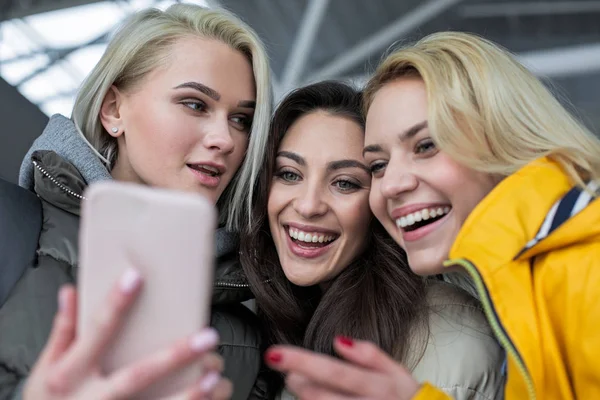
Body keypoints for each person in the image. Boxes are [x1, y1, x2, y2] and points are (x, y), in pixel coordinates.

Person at [263, 32, 600, 400]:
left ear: (503, 132)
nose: (391, 184)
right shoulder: (525, 281)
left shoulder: (587, 266)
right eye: (378, 165)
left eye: (426, 146)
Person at [0, 4, 273, 400]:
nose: (226, 139)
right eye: (195, 104)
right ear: (114, 110)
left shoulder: (248, 335)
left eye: (241, 120)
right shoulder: (7, 229)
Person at [240, 81, 504, 399]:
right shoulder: (249, 312)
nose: (308, 206)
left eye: (345, 183)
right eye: (290, 174)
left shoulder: (447, 337)